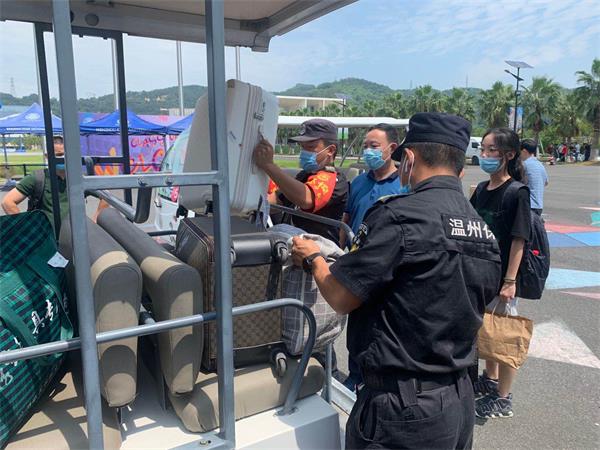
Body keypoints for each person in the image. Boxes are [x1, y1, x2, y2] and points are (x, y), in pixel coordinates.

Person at [292, 113, 501, 449]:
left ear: (410, 159)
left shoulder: (398, 215)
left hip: (402, 408)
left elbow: (342, 296)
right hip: (458, 400)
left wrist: (313, 258)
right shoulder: (481, 228)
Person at [470, 128, 531, 419]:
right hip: (480, 273)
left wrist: (510, 281)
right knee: (488, 329)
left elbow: (519, 239)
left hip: (503, 277)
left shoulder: (517, 192)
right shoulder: (482, 189)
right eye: (483, 149)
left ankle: (503, 398)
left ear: (508, 155)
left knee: (505, 335)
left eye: (491, 150)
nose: (484, 155)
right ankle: (490, 379)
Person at [339, 123, 401, 392]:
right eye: (365, 146)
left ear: (392, 148)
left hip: (388, 268)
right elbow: (346, 219)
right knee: (357, 324)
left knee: (383, 326)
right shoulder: (359, 182)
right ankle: (355, 376)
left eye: (374, 146)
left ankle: (378, 380)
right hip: (357, 265)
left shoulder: (404, 184)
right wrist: (340, 252)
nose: (368, 151)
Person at [253, 118, 348, 242]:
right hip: (296, 244)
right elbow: (276, 201)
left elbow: (306, 199)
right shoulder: (304, 175)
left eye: (310, 147)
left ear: (330, 150)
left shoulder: (334, 178)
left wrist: (269, 166)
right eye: (303, 147)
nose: (304, 152)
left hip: (318, 249)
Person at [2, 136, 70, 225]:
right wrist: (25, 226)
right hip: (45, 232)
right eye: (59, 155)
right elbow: (7, 202)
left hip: (74, 232)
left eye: (65, 155)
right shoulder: (37, 178)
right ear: (47, 156)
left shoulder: (77, 178)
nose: (63, 159)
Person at [520, 138, 548, 215]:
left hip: (527, 205)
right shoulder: (540, 165)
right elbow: (546, 182)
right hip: (538, 205)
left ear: (524, 151)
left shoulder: (524, 165)